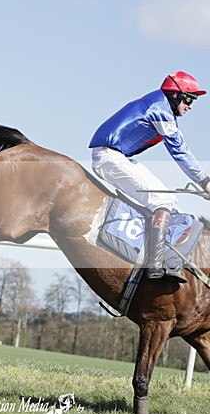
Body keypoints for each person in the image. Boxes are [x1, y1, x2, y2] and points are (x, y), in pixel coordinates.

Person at [89, 71, 210, 283]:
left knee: (168, 200)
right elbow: (179, 150)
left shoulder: (161, 107)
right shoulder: (160, 110)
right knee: (163, 199)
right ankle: (155, 264)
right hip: (110, 157)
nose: (190, 105)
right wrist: (204, 180)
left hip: (117, 156)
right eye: (189, 99)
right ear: (175, 95)